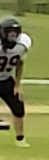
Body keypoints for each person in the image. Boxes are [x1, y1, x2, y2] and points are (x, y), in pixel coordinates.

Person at [0, 17, 30, 147]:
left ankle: (20, 139)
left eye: (15, 33)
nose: (13, 36)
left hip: (5, 78)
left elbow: (19, 63)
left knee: (18, 107)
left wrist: (17, 85)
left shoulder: (22, 44)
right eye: (10, 33)